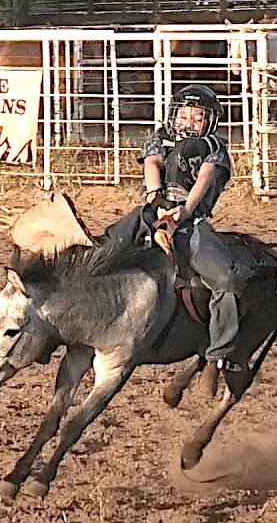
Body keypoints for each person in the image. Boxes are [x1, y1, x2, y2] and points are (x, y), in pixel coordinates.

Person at [105, 84, 248, 379]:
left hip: (191, 221)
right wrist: (157, 199)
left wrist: (184, 210)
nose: (189, 122)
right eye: (184, 115)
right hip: (153, 211)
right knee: (103, 248)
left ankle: (219, 353)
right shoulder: (160, 138)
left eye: (197, 117)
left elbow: (205, 179)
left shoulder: (215, 148)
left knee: (226, 279)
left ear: (210, 122)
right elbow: (152, 163)